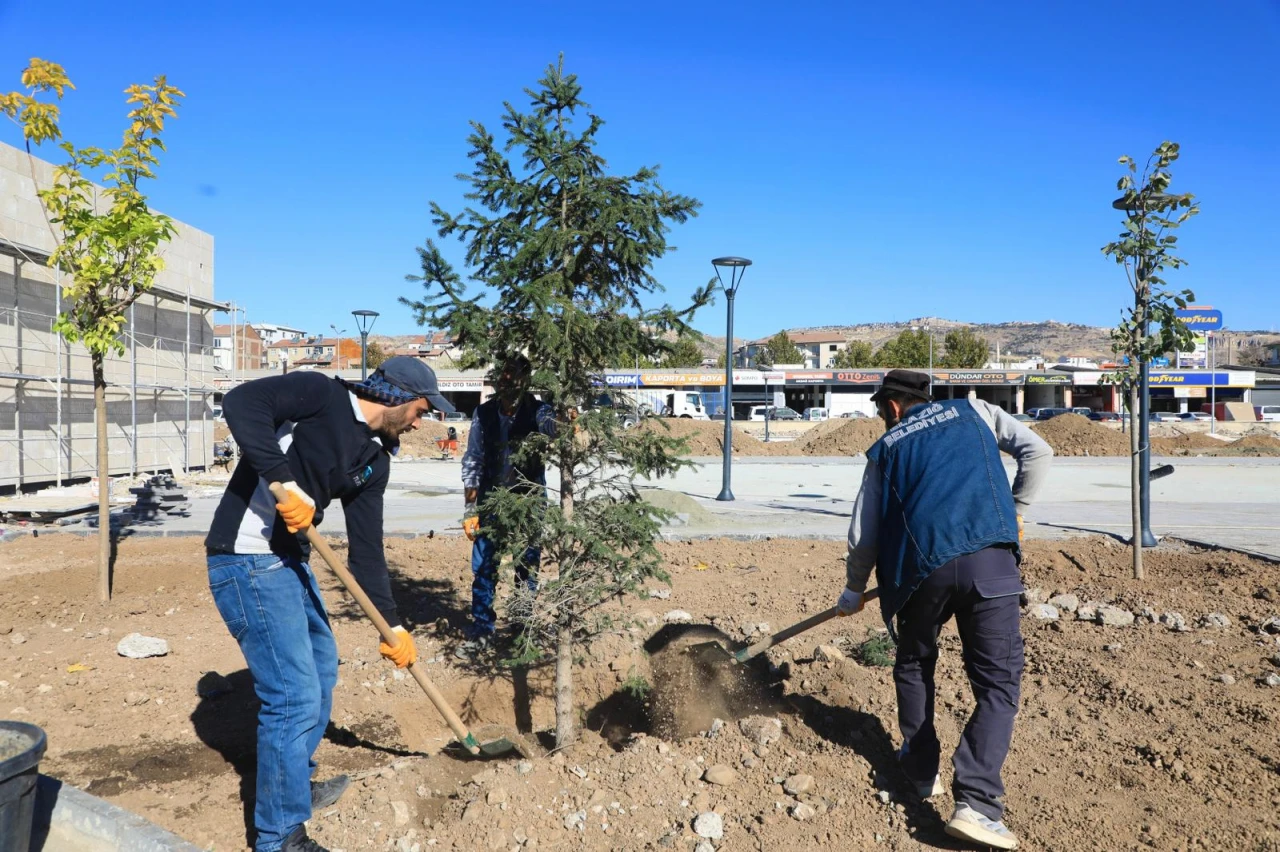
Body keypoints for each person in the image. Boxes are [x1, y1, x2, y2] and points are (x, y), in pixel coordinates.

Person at [204, 357, 454, 852]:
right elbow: (240, 403)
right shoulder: (320, 396)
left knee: (320, 672)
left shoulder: (374, 460)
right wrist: (285, 481)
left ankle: (293, 786)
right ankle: (279, 837)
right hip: (247, 557)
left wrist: (393, 626)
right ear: (398, 397)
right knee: (293, 696)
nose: (420, 424)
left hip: (289, 561)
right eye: (421, 411)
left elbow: (367, 552)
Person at [837, 369, 1052, 851]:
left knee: (915, 664)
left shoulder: (886, 448)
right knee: (998, 684)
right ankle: (977, 804)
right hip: (990, 565)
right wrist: (1015, 510)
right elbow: (1040, 451)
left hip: (921, 574)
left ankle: (920, 771)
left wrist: (853, 590)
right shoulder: (977, 411)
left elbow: (864, 534)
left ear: (893, 407)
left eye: (880, 410)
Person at [460, 354, 566, 646]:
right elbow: (473, 460)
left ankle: (522, 628)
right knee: (484, 567)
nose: (507, 379)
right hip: (490, 502)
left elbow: (555, 427)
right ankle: (483, 628)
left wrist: (566, 412)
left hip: (529, 503)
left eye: (514, 373)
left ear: (526, 379)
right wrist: (470, 509)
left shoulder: (538, 411)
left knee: (527, 566)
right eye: (504, 373)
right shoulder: (484, 413)